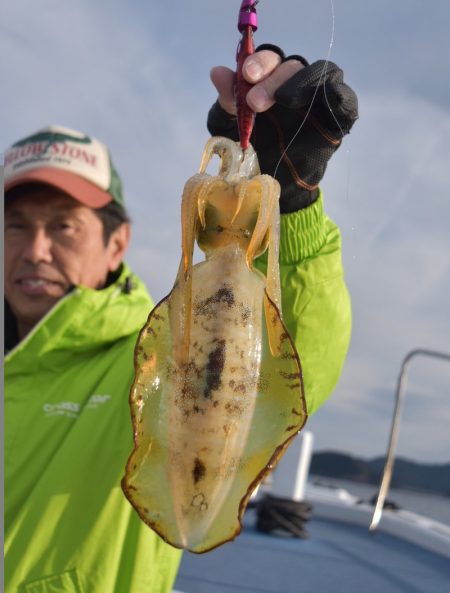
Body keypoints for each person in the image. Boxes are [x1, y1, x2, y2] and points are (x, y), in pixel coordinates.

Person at [4, 47, 358, 593]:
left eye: (64, 227)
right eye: (16, 227)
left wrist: (291, 210)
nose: (36, 250)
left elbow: (295, 364)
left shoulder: (148, 361)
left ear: (116, 241)